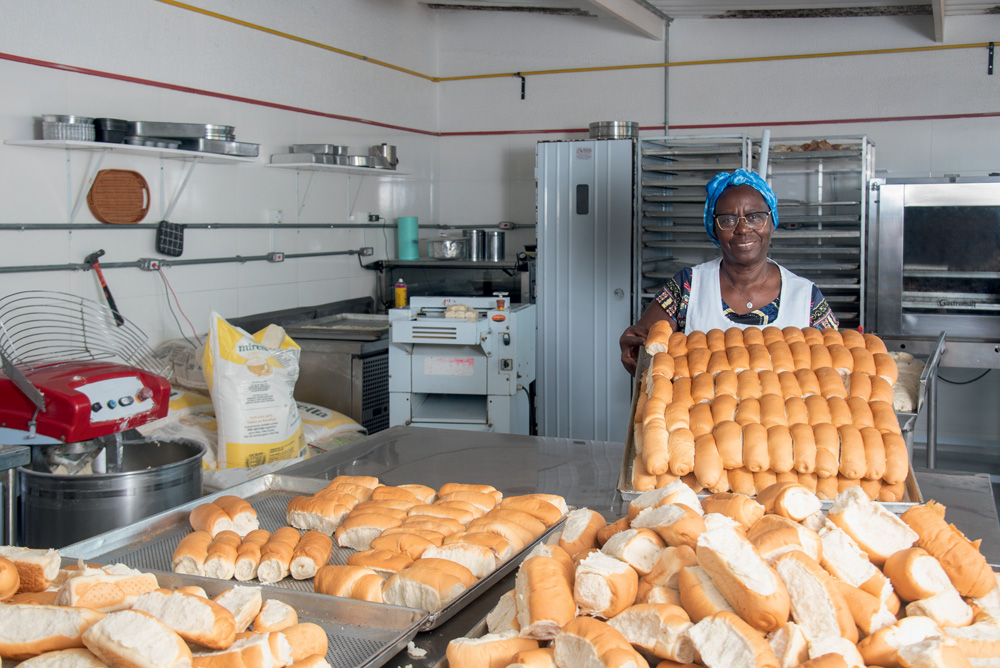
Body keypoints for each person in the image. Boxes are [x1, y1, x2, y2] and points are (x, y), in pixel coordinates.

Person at [619, 168, 839, 375]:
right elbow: (646, 356)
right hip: (699, 414)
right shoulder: (687, 287)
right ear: (713, 229)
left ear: (772, 222)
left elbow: (835, 366)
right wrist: (634, 350)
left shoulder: (806, 297)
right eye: (727, 220)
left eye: (755, 216)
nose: (743, 229)